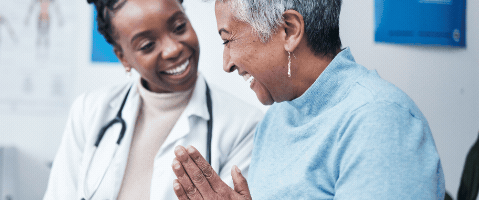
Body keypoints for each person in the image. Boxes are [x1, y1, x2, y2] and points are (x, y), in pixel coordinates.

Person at [170, 0, 445, 199]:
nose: (226, 63)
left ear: (289, 30)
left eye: (228, 40)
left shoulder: (380, 120)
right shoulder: (276, 119)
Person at [42, 0, 263, 199]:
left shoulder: (245, 126)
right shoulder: (89, 111)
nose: (173, 49)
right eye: (147, 45)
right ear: (123, 57)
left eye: (179, 28)